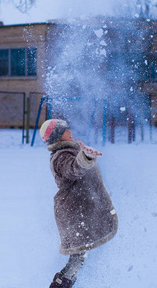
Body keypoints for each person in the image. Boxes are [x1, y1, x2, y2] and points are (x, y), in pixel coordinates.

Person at [39, 119, 118, 288]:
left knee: (81, 255)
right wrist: (85, 158)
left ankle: (64, 283)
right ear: (59, 136)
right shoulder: (60, 157)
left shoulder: (68, 151)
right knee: (79, 255)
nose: (70, 131)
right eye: (66, 130)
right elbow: (72, 169)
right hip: (75, 213)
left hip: (82, 209)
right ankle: (60, 284)